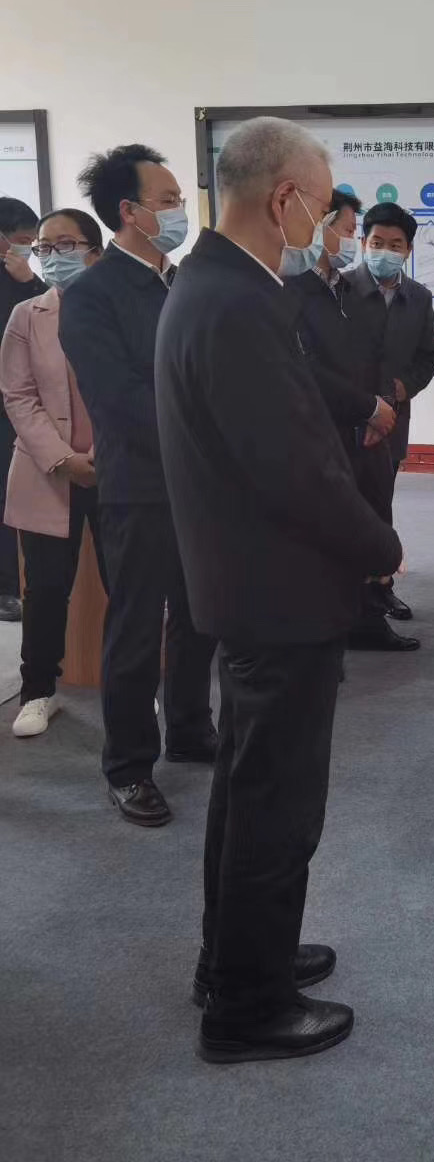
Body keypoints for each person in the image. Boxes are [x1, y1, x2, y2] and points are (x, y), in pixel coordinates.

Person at [155, 115, 402, 1064]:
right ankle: (247, 1007)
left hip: (252, 583)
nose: (333, 221)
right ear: (284, 197)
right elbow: (294, 466)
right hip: (276, 590)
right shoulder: (235, 301)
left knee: (247, 787)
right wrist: (377, 543)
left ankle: (234, 960)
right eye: (325, 201)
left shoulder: (218, 284)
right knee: (275, 804)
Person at [59, 144, 216, 828]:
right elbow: (119, 400)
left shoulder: (182, 282)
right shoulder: (91, 296)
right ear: (128, 211)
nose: (180, 211)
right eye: (168, 200)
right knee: (135, 627)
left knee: (199, 615)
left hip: (202, 485)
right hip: (141, 486)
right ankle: (127, 766)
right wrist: (203, 438)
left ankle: (189, 727)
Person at [289, 190, 418, 652]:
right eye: (348, 231)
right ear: (318, 226)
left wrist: (378, 408)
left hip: (363, 427)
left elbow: (363, 357)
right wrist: (367, 407)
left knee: (368, 517)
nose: (353, 241)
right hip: (325, 432)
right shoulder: (295, 288)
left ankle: (366, 613)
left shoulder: (338, 288)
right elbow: (306, 366)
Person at [1, 209, 108, 737]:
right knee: (44, 589)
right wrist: (64, 458)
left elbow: (141, 388)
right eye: (45, 247)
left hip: (117, 469)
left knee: (127, 585)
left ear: (96, 252)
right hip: (47, 470)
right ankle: (38, 691)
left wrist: (105, 455)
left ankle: (131, 688)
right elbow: (18, 395)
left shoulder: (121, 309)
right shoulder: (28, 314)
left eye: (66, 245)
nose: (52, 256)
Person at [351, 199, 434, 621]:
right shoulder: (340, 289)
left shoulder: (418, 297)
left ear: (408, 250)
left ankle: (381, 586)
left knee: (381, 502)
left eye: (395, 244)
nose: (384, 251)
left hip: (392, 419)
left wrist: (405, 388)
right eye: (377, 242)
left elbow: (429, 355)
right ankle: (347, 591)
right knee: (345, 503)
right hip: (346, 417)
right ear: (362, 243)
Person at [0, 195, 47, 622]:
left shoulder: (25, 281)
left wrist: (29, 281)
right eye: (20, 239)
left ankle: (13, 584)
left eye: (33, 241)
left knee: (13, 496)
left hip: (18, 409)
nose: (26, 247)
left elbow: (51, 319)